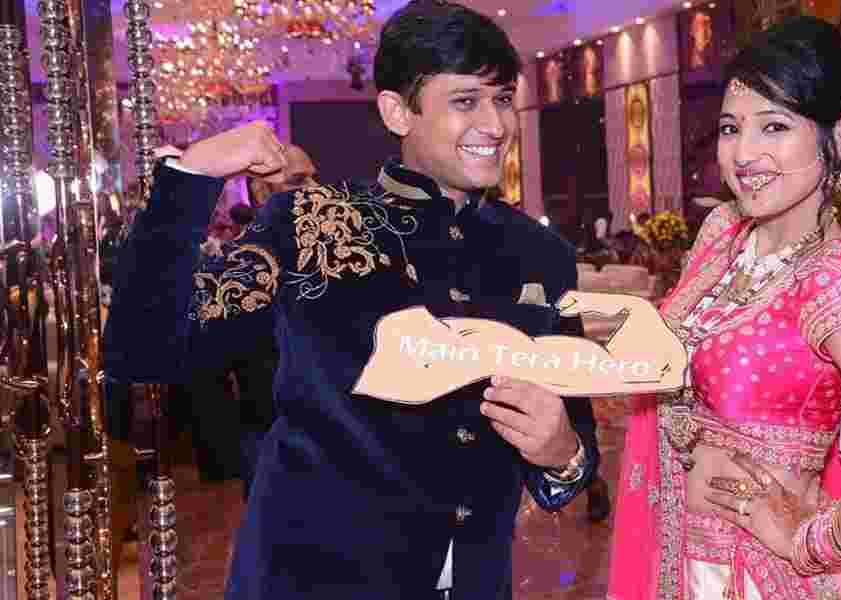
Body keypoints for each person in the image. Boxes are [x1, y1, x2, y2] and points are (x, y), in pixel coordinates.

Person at [102, 1, 599, 598]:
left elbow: (574, 445)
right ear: (397, 111)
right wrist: (191, 178)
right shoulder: (311, 223)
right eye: (466, 101)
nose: (495, 124)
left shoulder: (540, 255)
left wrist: (563, 452)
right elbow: (144, 349)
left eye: (503, 98)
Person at [606, 16, 841, 600]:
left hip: (757, 579)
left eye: (774, 126)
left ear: (839, 139)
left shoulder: (833, 285)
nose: (744, 153)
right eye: (731, 128)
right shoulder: (723, 234)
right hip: (679, 557)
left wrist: (815, 542)